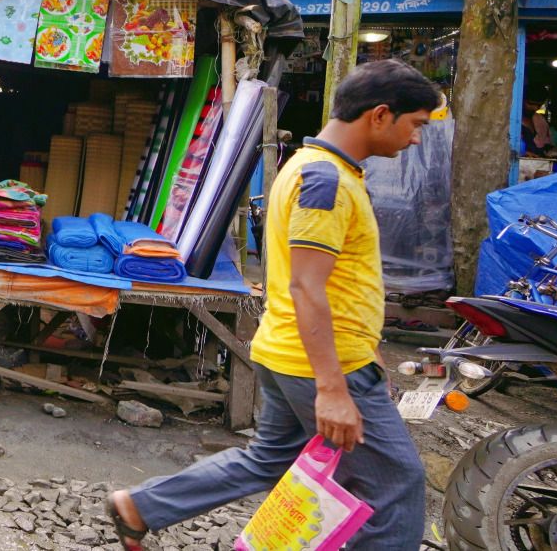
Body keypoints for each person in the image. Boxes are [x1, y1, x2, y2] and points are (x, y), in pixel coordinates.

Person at [108, 60, 438, 551]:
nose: (416, 140)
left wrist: (368, 356)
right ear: (380, 115)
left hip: (299, 353)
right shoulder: (324, 182)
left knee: (270, 458)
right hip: (321, 364)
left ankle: (142, 507)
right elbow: (307, 287)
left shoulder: (315, 169)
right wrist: (332, 387)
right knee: (396, 485)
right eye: (416, 126)